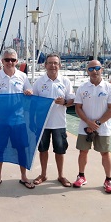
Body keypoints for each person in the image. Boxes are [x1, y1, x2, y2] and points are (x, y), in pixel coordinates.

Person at [0, 48, 35, 190]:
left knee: (21, 148)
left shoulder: (22, 77)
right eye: (7, 60)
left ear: (17, 61)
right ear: (2, 61)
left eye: (13, 60)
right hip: (0, 120)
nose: (10, 62)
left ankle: (23, 176)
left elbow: (31, 92)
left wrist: (29, 92)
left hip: (18, 120)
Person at [73, 59, 111, 194]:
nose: (94, 71)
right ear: (87, 71)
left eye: (97, 68)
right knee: (83, 151)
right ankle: (81, 176)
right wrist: (88, 122)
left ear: (101, 69)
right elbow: (78, 108)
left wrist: (96, 124)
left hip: (103, 128)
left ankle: (108, 179)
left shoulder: (110, 88)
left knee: (105, 153)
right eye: (91, 69)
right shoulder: (82, 88)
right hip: (84, 126)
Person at [32, 53, 75, 187]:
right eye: (50, 63)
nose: (53, 66)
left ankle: (61, 175)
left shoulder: (65, 81)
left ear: (60, 65)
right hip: (43, 123)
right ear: (45, 65)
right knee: (43, 150)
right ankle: (43, 174)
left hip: (59, 123)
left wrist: (65, 102)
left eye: (55, 63)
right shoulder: (39, 82)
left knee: (60, 150)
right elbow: (33, 102)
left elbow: (72, 100)